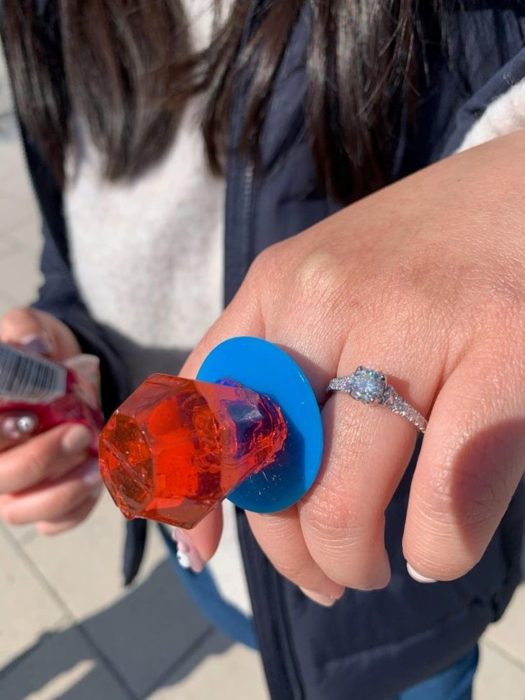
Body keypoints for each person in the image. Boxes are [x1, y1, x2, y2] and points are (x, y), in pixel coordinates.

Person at [1, 2, 524, 698]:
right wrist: (73, 345)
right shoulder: (49, 14)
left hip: (388, 609)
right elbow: (80, 244)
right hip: (222, 565)